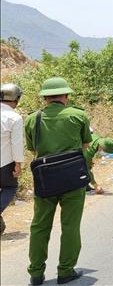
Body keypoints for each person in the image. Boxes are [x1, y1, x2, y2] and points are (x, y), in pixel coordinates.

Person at [23, 77, 92, 285]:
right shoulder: (78, 115)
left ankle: (36, 273)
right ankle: (66, 270)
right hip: (73, 178)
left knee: (39, 225)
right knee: (70, 226)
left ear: (44, 97)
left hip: (45, 180)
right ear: (66, 96)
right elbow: (86, 145)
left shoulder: (32, 119)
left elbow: (33, 150)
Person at [1, 83, 24, 236]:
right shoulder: (14, 117)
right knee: (10, 187)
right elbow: (16, 144)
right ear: (16, 99)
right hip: (4, 163)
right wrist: (18, 164)